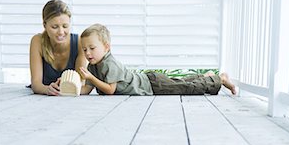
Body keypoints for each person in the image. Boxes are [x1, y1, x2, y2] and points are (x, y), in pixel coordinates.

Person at [79, 24, 236, 96]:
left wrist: (90, 78)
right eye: (85, 49)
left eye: (92, 48)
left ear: (106, 47)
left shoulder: (108, 63)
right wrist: (69, 90)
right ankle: (206, 77)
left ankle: (219, 79)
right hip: (149, 80)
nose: (87, 53)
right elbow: (87, 89)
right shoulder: (93, 65)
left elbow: (110, 90)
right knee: (179, 82)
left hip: (152, 85)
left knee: (186, 88)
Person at [29, 0, 87, 95]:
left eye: (65, 26)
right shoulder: (37, 41)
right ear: (45, 25)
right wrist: (47, 89)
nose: (61, 32)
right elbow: (36, 84)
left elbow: (80, 82)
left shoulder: (79, 42)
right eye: (55, 27)